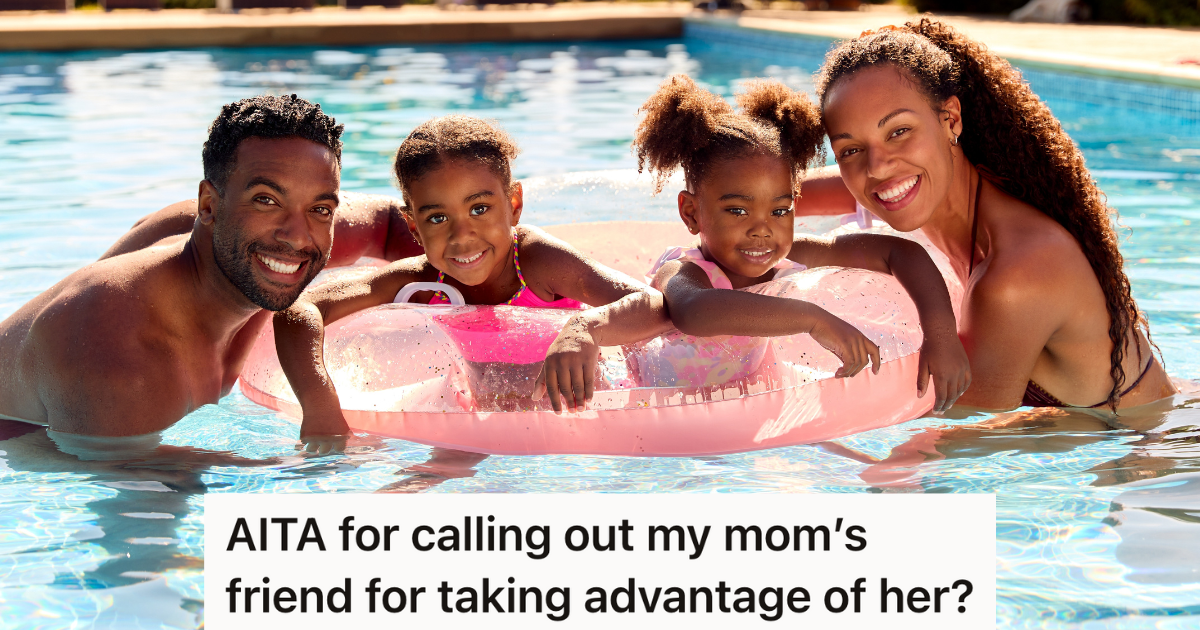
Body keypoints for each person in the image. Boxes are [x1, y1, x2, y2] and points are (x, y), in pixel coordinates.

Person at [800, 19, 1176, 410]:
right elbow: (775, 197)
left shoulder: (1014, 276)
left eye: (898, 132)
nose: (877, 167)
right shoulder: (924, 180)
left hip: (1137, 456)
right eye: (850, 149)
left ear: (951, 120)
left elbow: (963, 447)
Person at [0, 94, 420, 439]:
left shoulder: (257, 234)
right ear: (209, 205)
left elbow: (392, 226)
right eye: (266, 200)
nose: (296, 235)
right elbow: (139, 508)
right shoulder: (124, 363)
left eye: (321, 208)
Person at [274, 115, 671, 451]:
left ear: (513, 204)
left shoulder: (537, 261)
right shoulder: (423, 279)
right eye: (437, 218)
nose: (462, 236)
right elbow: (299, 309)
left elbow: (654, 302)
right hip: (484, 418)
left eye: (479, 209)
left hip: (588, 412)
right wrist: (321, 408)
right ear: (412, 225)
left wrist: (585, 329)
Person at [633, 75, 970, 410]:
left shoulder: (789, 255)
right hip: (656, 412)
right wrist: (813, 318)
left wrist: (941, 336)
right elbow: (695, 312)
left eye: (780, 210)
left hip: (743, 404)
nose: (762, 229)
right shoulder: (684, 272)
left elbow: (900, 252)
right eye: (738, 210)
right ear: (691, 213)